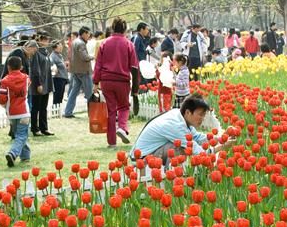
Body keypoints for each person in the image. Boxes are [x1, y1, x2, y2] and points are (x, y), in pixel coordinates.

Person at [93, 17, 139, 148]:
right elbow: (134, 67)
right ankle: (122, 127)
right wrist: (135, 88)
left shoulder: (104, 43)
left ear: (112, 28)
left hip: (106, 81)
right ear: (124, 29)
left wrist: (95, 82)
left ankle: (111, 142)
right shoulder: (129, 44)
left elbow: (98, 65)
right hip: (122, 80)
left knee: (111, 111)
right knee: (124, 107)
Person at [130, 94, 211, 165]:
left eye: (204, 115)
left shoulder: (179, 115)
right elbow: (195, 149)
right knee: (179, 149)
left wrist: (218, 139)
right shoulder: (176, 125)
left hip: (152, 150)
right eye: (200, 115)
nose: (202, 118)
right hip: (141, 158)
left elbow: (196, 137)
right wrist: (215, 151)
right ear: (188, 112)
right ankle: (171, 176)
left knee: (180, 146)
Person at [0, 56, 31, 167]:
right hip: (24, 112)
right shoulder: (26, 78)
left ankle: (25, 156)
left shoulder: (5, 81)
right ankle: (12, 153)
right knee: (21, 135)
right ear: (21, 67)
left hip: (12, 112)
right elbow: (28, 84)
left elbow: (1, 98)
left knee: (19, 135)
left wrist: (5, 106)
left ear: (8, 67)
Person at [64, 27, 94, 118]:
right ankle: (92, 112)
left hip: (75, 71)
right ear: (84, 33)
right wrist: (93, 57)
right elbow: (84, 57)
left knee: (74, 92)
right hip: (83, 71)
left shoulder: (75, 42)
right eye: (88, 33)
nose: (89, 36)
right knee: (89, 93)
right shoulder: (81, 43)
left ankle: (68, 112)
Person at [29, 33, 54, 137]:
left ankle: (44, 128)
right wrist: (39, 84)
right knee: (36, 107)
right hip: (38, 84)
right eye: (45, 40)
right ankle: (35, 128)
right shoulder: (36, 53)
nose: (47, 42)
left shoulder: (46, 52)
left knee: (43, 107)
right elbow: (36, 70)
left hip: (46, 82)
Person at [49, 41, 68, 106]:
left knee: (60, 96)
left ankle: (59, 110)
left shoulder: (60, 55)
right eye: (60, 46)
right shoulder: (52, 56)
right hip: (57, 79)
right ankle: (56, 111)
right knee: (57, 96)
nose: (61, 47)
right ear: (55, 47)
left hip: (62, 78)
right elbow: (52, 66)